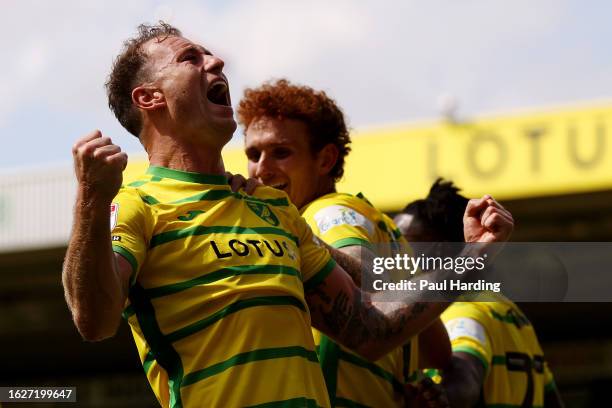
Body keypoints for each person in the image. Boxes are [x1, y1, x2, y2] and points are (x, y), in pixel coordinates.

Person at [62, 22, 513, 408]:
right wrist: (91, 200)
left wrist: (472, 254)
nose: (216, 62)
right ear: (150, 97)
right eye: (190, 59)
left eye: (211, 56)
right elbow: (94, 321)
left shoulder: (273, 208)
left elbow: (371, 330)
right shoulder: (136, 204)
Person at [238, 79, 451, 407]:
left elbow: (367, 273)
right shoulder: (384, 230)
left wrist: (294, 235)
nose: (262, 169)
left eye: (281, 152)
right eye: (254, 154)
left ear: (325, 160)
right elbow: (437, 352)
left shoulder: (328, 214)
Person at [394, 179, 564, 408]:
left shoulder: (460, 310)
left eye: (402, 241)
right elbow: (552, 400)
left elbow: (466, 376)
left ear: (439, 249)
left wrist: (440, 397)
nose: (393, 252)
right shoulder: (513, 315)